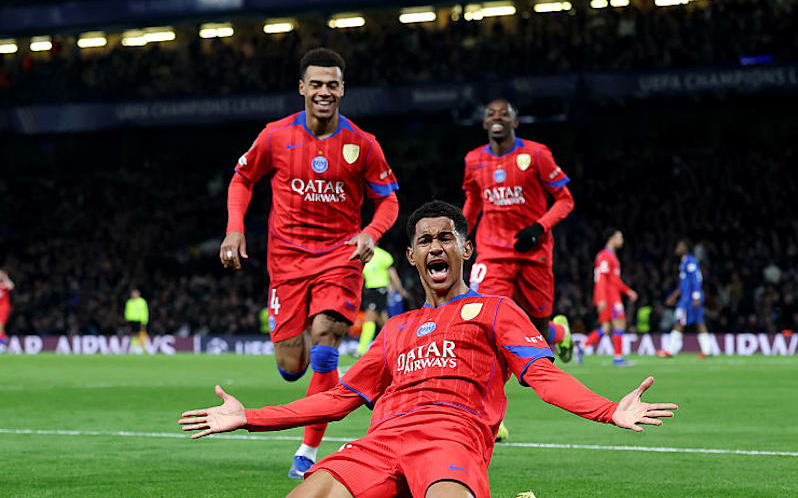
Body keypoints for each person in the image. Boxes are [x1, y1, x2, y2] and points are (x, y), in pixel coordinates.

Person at [181, 200, 678, 498]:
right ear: (413, 256)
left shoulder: (497, 310)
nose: (436, 246)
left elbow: (544, 377)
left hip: (450, 442)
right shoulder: (395, 328)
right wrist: (251, 417)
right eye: (425, 240)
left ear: (466, 250)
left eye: (447, 238)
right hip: (378, 443)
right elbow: (337, 400)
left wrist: (609, 410)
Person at [218, 47, 400, 477]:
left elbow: (388, 200)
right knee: (291, 367)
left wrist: (370, 234)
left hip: (340, 258)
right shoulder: (276, 136)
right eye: (315, 84)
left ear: (342, 89)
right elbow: (242, 178)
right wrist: (234, 227)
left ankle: (307, 452)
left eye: (332, 84)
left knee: (325, 344)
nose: (324, 91)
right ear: (302, 87)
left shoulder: (362, 145)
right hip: (286, 262)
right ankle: (333, 382)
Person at [462, 99, 575, 363]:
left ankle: (560, 333)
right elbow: (474, 201)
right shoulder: (474, 159)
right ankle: (488, 377)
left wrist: (539, 227)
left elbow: (565, 200)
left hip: (534, 251)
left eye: (504, 114)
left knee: (539, 329)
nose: (497, 117)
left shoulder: (537, 154)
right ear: (484, 123)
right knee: (485, 314)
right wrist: (460, 232)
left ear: (515, 121)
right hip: (492, 253)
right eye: (491, 114)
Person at [658, 239, 712, 358]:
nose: (677, 248)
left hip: (690, 298)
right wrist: (674, 296)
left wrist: (696, 296)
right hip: (688, 297)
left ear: (686, 248)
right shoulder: (684, 262)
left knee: (679, 321)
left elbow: (697, 279)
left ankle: (670, 350)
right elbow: (683, 284)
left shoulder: (691, 261)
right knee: (699, 322)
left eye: (680, 246)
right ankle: (707, 350)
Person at [592, 228, 638, 366]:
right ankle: (618, 358)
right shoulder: (604, 256)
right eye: (619, 237)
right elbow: (601, 278)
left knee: (607, 327)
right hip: (609, 296)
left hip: (612, 294)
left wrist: (627, 291)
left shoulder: (611, 256)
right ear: (611, 239)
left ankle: (582, 345)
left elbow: (614, 280)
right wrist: (601, 298)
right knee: (620, 323)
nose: (621, 240)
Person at [358, 245, 410, 356]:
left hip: (380, 289)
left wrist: (400, 290)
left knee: (370, 316)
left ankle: (361, 350)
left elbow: (393, 274)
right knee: (381, 317)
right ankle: (396, 343)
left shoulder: (383, 255)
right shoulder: (363, 254)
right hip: (369, 290)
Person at [124, 288, 149, 355]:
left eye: (135, 294)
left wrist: (144, 321)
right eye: (133, 294)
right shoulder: (129, 302)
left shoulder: (142, 302)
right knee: (133, 334)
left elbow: (144, 311)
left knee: (141, 333)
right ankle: (133, 348)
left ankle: (140, 347)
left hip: (140, 320)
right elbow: (127, 311)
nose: (134, 295)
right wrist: (127, 319)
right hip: (131, 320)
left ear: (138, 294)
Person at [0, 270, 14, 346]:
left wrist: (5, 277)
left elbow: (11, 286)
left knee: (0, 326)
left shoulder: (4, 285)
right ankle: (4, 342)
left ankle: (2, 345)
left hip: (4, 308)